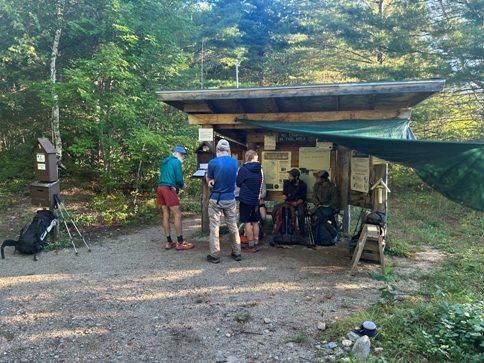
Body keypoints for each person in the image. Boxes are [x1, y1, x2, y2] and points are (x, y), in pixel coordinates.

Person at [206, 139, 242, 263]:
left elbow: (210, 181)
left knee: (214, 227)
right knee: (233, 226)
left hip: (216, 198)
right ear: (228, 149)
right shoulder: (234, 162)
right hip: (230, 198)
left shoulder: (212, 162)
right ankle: (237, 252)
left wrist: (208, 179)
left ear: (217, 149)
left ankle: (215, 255)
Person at [157, 146, 194, 251]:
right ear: (176, 153)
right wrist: (183, 185)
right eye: (182, 155)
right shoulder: (176, 162)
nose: (183, 157)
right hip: (169, 188)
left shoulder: (164, 162)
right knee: (177, 214)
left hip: (160, 188)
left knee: (166, 215)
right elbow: (178, 178)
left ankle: (169, 242)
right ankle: (180, 242)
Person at [236, 150, 263, 252]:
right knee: (255, 221)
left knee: (246, 221)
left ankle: (250, 244)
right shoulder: (260, 169)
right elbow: (261, 184)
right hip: (256, 199)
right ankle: (256, 241)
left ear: (247, 157)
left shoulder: (244, 169)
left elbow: (238, 182)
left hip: (245, 199)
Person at [272, 168, 307, 236]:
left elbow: (303, 198)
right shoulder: (287, 183)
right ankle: (277, 228)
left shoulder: (302, 185)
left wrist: (296, 203)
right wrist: (284, 196)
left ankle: (301, 232)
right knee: (275, 209)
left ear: (296, 177)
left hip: (298, 203)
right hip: (288, 202)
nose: (289, 177)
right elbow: (284, 193)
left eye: (291, 176)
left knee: (301, 213)